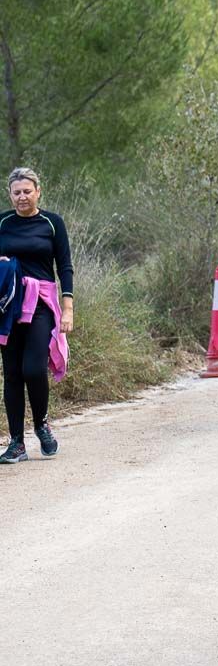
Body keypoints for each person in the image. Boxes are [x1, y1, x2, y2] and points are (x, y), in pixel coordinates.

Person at [0, 167, 73, 463]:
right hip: (7, 304)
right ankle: (16, 442)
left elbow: (65, 267)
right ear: (10, 194)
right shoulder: (2, 222)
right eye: (16, 192)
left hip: (41, 303)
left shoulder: (52, 223)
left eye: (27, 191)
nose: (22, 197)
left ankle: (42, 424)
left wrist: (67, 307)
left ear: (38, 191)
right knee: (12, 374)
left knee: (32, 368)